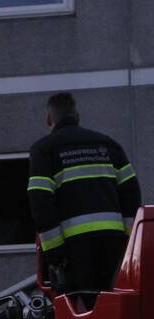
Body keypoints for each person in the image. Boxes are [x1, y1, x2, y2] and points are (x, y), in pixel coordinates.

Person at [28, 92, 141, 308]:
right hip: (114, 245)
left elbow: (40, 201)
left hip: (74, 249)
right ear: (77, 116)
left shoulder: (44, 150)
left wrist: (54, 252)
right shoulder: (109, 145)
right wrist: (128, 241)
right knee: (114, 308)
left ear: (49, 120)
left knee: (84, 314)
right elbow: (131, 195)